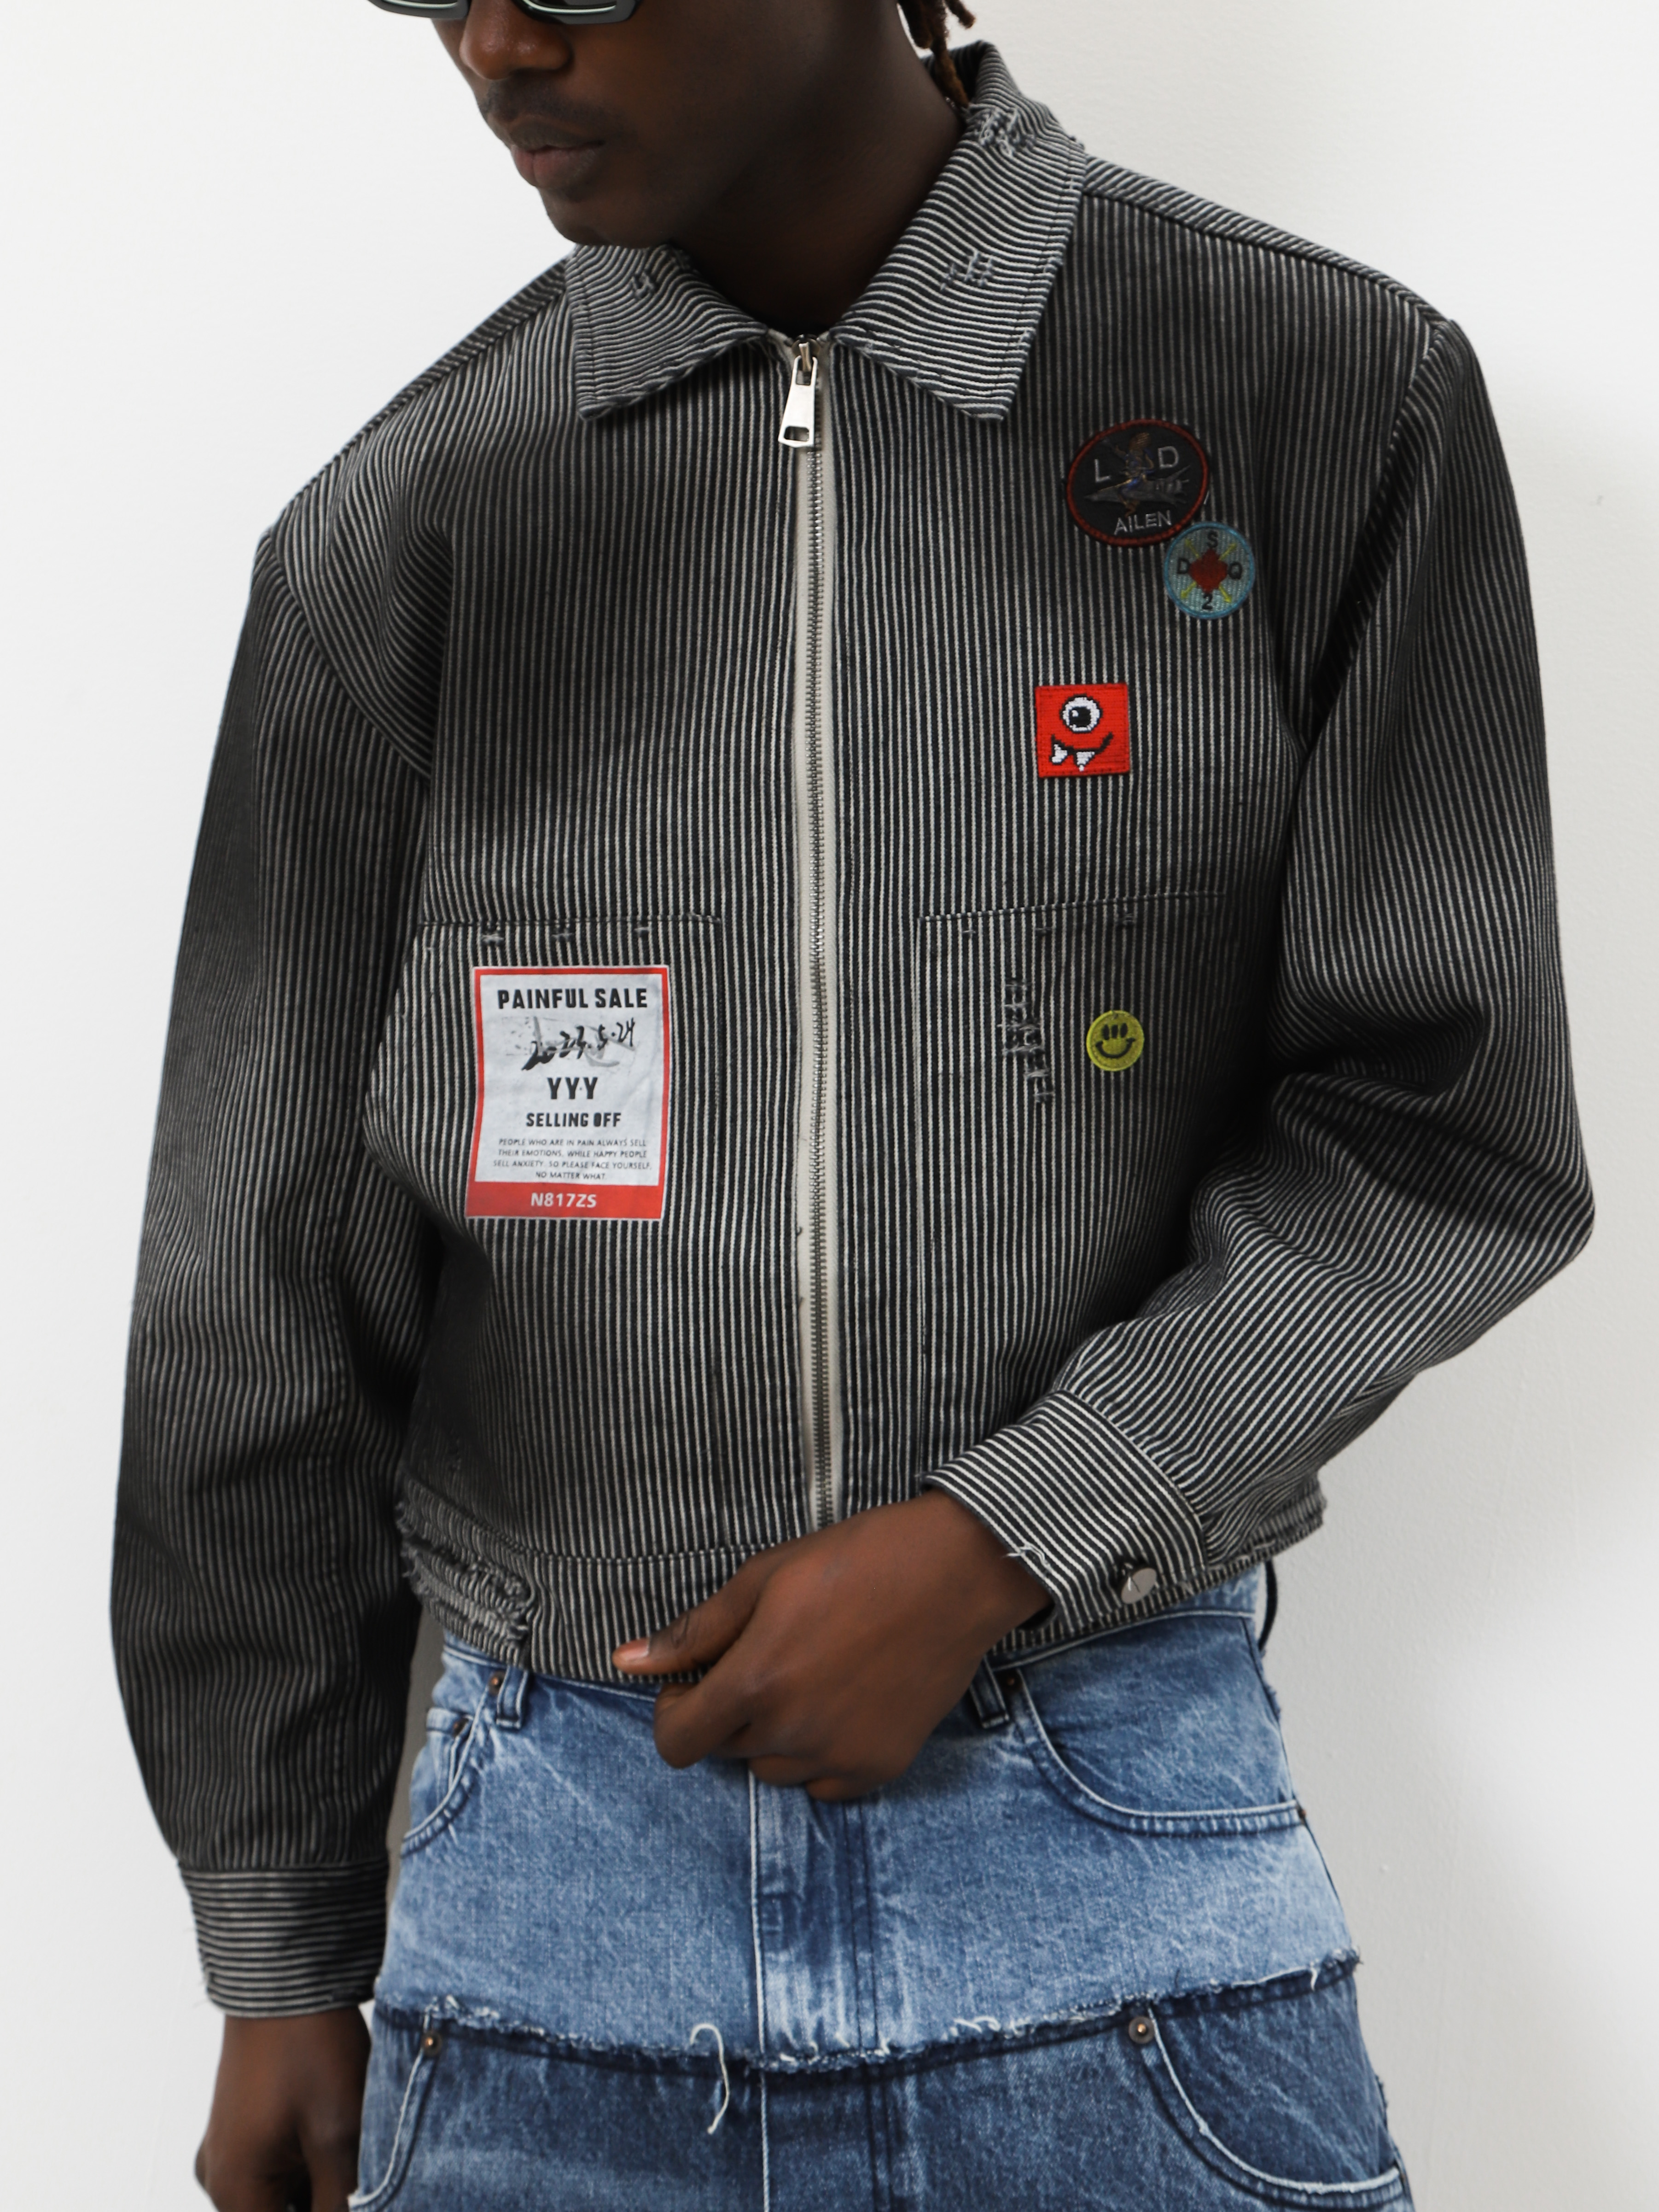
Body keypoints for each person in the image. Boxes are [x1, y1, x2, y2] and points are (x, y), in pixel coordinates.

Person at [112, 2, 1592, 2206]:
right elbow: (256, 1288)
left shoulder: (1321, 397)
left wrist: (1007, 1531)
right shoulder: (408, 531)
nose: (494, 46)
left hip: (1111, 1866)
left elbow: (1441, 1129)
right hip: (540, 1919)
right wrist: (279, 1945)